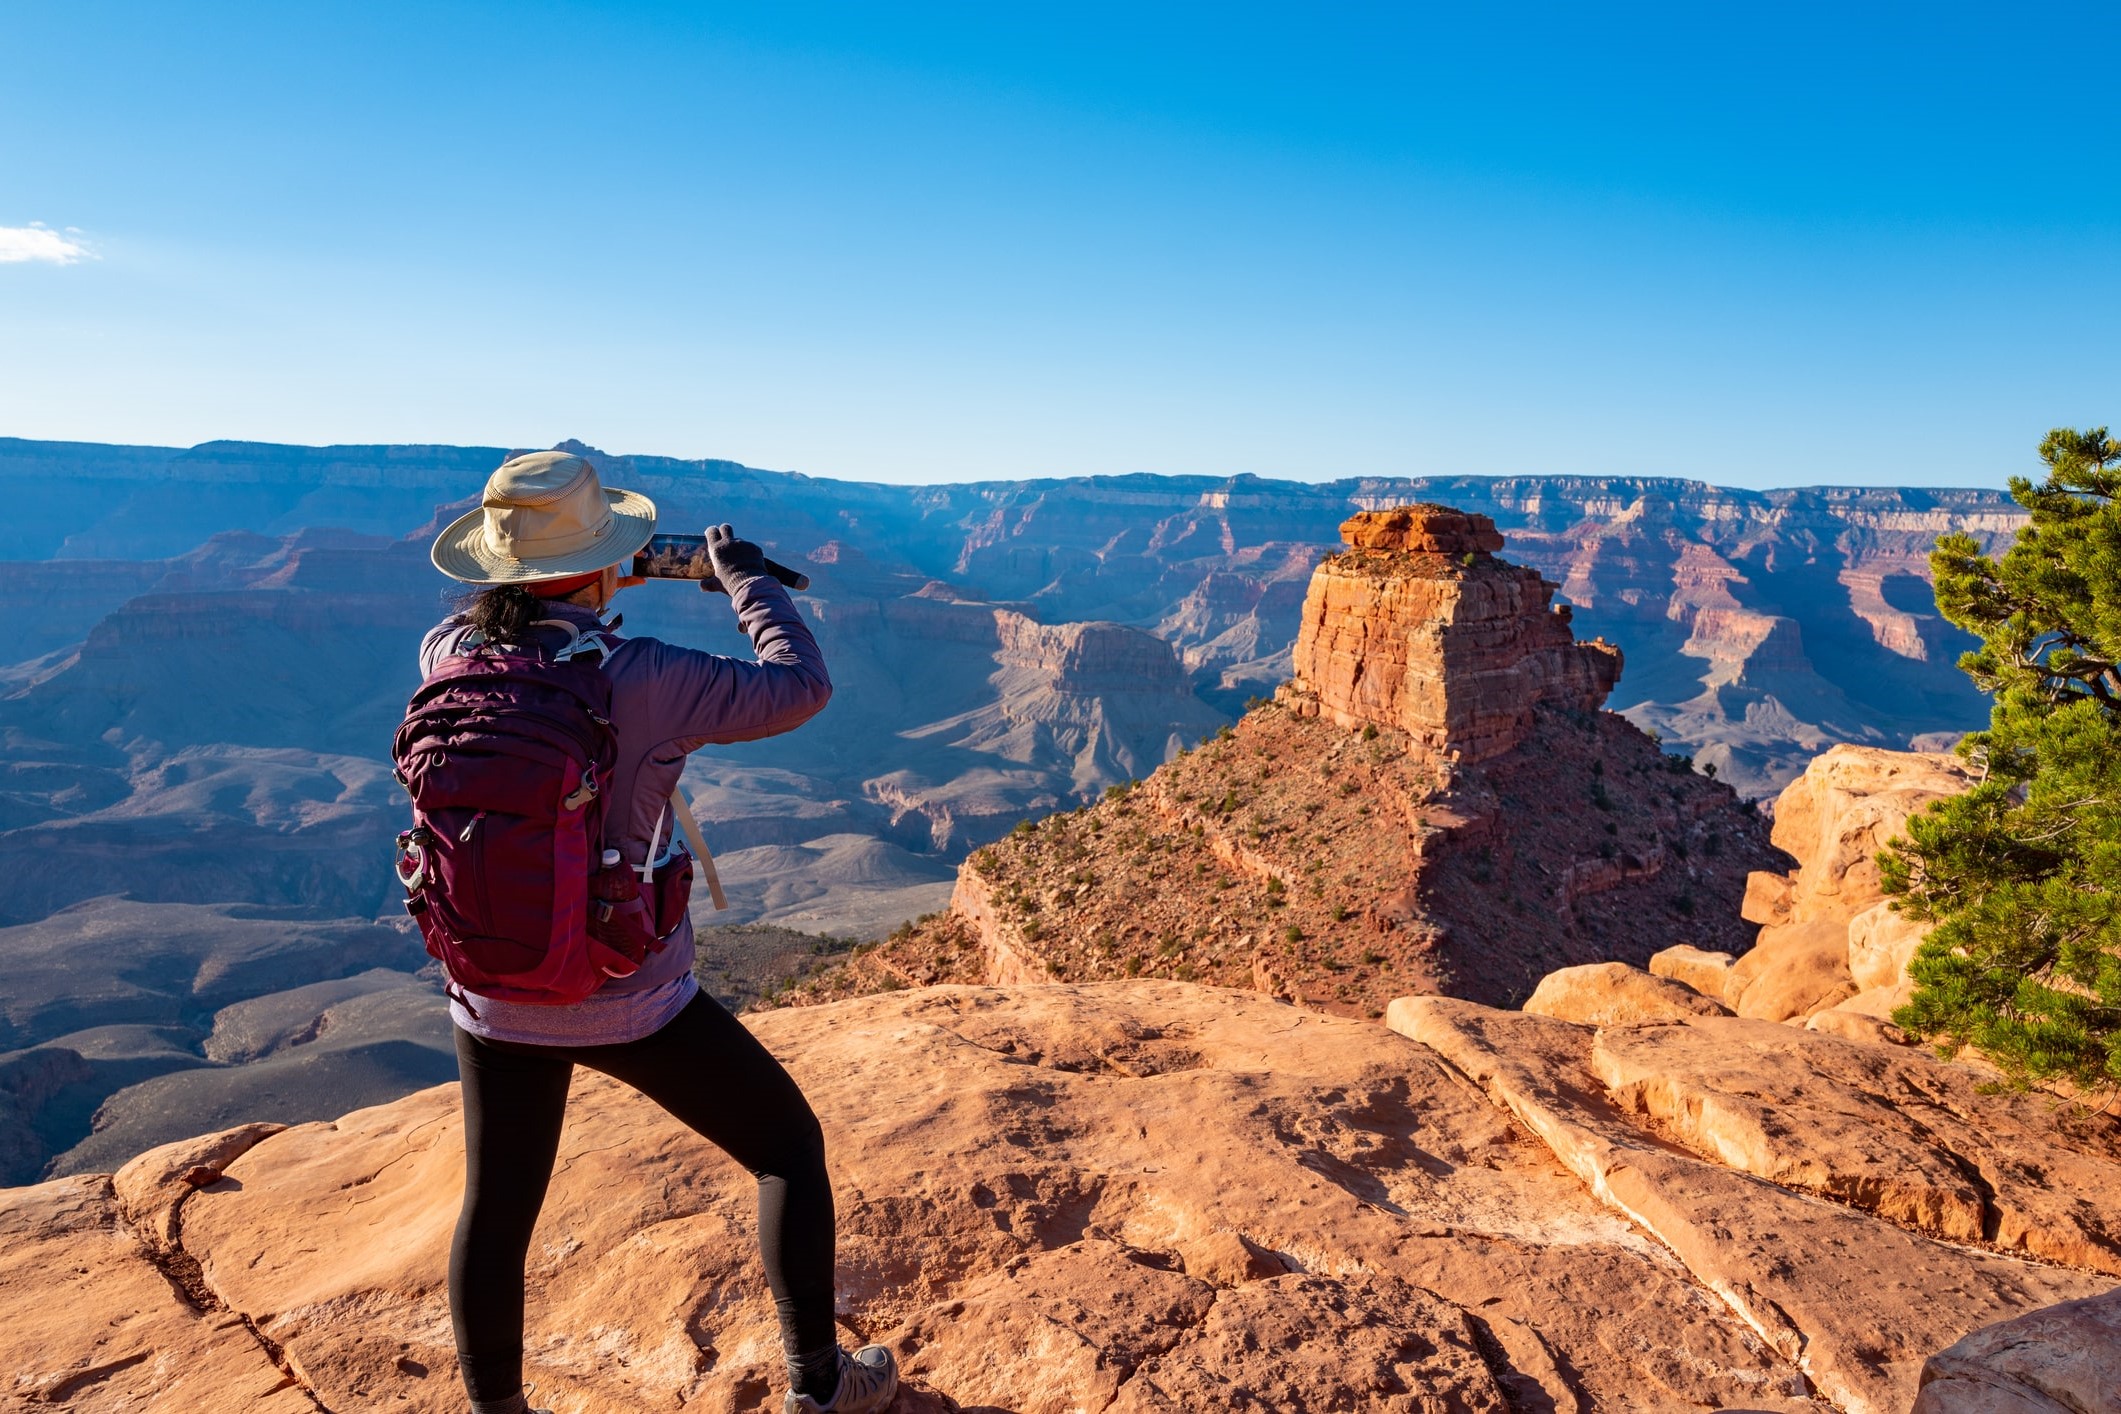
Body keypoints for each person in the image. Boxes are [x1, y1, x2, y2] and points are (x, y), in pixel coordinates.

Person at [419, 451, 897, 1414]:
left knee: (498, 1210)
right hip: (627, 996)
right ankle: (822, 1387)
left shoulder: (444, 656)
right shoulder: (646, 676)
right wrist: (741, 580)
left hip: (492, 996)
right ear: (603, 562)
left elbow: (538, 608)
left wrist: (599, 569)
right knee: (785, 1149)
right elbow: (799, 685)